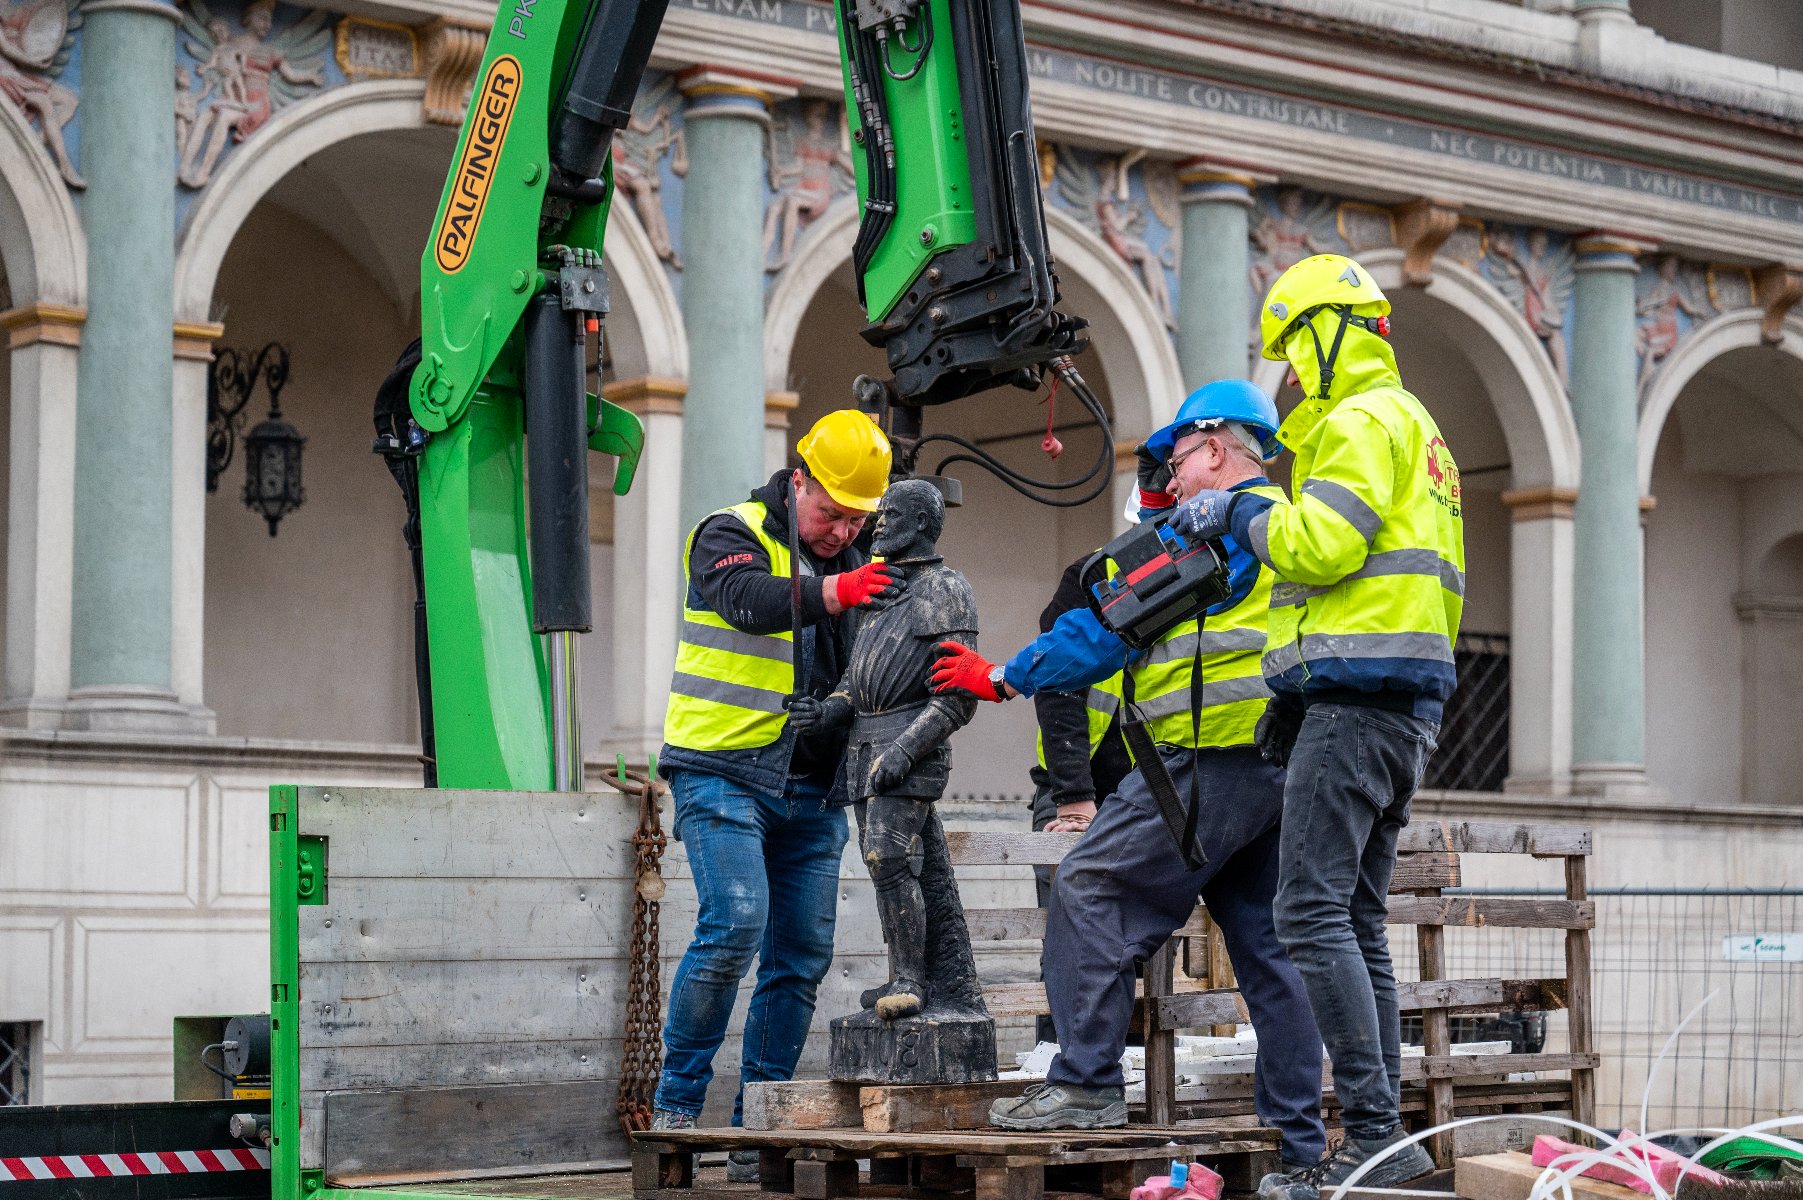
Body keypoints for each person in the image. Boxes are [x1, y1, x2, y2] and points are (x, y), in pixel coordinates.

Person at [930, 381, 1327, 1171]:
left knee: (1089, 892)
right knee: (1273, 954)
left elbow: (1105, 629)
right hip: (1281, 768)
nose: (1170, 479)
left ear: (1216, 449)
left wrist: (1002, 675)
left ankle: (1082, 1083)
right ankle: (1297, 1141)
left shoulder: (1210, 528)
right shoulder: (1292, 526)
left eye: (1177, 459)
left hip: (1206, 762)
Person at [1172, 255, 1464, 1199]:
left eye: (1294, 351)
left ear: (1327, 332)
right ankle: (1392, 1151)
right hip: (1397, 708)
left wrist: (1241, 514)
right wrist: (1290, 697)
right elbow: (1372, 579)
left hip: (1359, 704)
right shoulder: (1417, 428)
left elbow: (1319, 547)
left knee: (1306, 913)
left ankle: (1370, 1139)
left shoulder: (1354, 421)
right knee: (1357, 921)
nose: (1291, 375)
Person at [653, 411, 899, 1171]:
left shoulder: (863, 557)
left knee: (800, 954)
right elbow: (748, 602)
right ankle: (677, 1107)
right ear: (797, 482)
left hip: (813, 789)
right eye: (829, 513)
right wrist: (833, 591)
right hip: (722, 768)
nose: (838, 530)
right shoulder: (728, 532)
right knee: (735, 924)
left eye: (856, 518)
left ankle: (759, 1130)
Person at [1026, 556, 1134, 1043]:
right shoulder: (1095, 575)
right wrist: (1074, 798)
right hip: (1076, 791)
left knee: (1141, 940)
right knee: (1068, 936)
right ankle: (1060, 1059)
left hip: (1149, 792)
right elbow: (1054, 681)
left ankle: (1133, 1061)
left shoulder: (1203, 567)